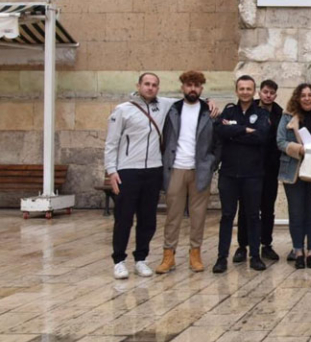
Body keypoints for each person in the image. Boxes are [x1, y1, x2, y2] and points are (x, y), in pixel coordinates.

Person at [104, 73, 174, 280]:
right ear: (139, 85)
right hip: (128, 170)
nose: (150, 88)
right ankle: (119, 260)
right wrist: (112, 171)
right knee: (124, 218)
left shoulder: (163, 105)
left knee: (148, 218)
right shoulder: (123, 110)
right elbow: (111, 142)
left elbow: (189, 98)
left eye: (154, 85)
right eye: (147, 84)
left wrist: (210, 102)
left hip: (153, 170)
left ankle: (141, 258)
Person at [155, 71, 218, 275]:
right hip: (176, 168)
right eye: (189, 85)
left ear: (201, 88)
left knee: (198, 214)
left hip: (200, 169)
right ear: (182, 87)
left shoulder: (209, 112)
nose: (193, 89)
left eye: (197, 86)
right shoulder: (172, 109)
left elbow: (218, 142)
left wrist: (211, 163)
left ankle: (195, 252)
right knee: (173, 214)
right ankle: (168, 254)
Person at [213, 75, 272, 273]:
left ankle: (255, 255)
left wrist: (235, 132)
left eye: (249, 89)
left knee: (253, 215)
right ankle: (222, 258)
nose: (245, 92)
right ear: (237, 90)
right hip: (229, 174)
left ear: (254, 91)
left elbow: (261, 136)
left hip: (253, 174)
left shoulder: (262, 114)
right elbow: (221, 131)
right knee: (227, 215)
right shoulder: (229, 111)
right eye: (242, 88)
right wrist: (245, 130)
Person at [277, 83, 311, 269]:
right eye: (303, 95)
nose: (307, 98)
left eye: (310, 95)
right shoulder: (286, 118)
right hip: (294, 171)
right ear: (297, 98)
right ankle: (298, 251)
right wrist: (299, 149)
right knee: (296, 213)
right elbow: (280, 141)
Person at [235, 79, 282, 263]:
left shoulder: (279, 113)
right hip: (249, 166)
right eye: (265, 92)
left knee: (268, 208)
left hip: (270, 167)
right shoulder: (250, 109)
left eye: (271, 93)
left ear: (275, 95)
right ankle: (242, 245)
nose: (268, 95)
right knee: (246, 208)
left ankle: (266, 244)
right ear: (259, 93)